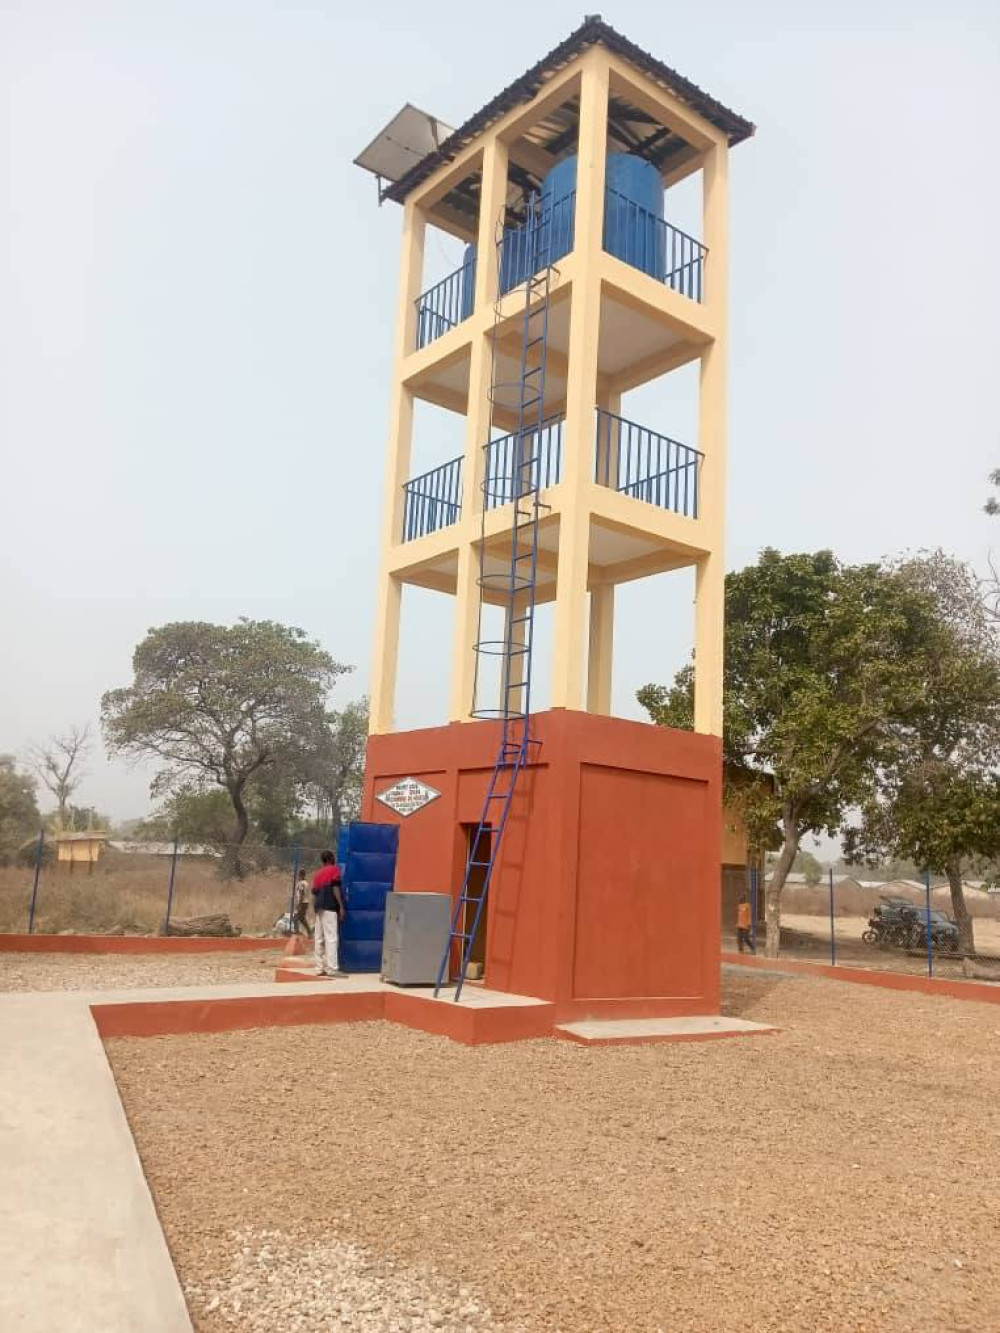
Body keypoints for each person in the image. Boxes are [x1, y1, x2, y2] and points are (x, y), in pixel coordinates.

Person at [312, 850, 346, 977]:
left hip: (319, 907)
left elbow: (314, 893)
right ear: (331, 858)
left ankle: (319, 968)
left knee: (319, 938)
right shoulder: (334, 870)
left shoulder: (318, 874)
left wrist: (315, 908)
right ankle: (332, 969)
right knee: (331, 938)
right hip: (330, 906)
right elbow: (335, 888)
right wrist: (341, 906)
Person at [293, 870, 311, 936]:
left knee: (295, 918)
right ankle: (309, 932)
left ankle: (296, 932)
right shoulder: (306, 882)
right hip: (305, 902)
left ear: (301, 875)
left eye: (299, 875)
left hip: (302, 902)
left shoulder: (301, 883)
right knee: (302, 918)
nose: (298, 876)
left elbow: (301, 894)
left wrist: (299, 904)